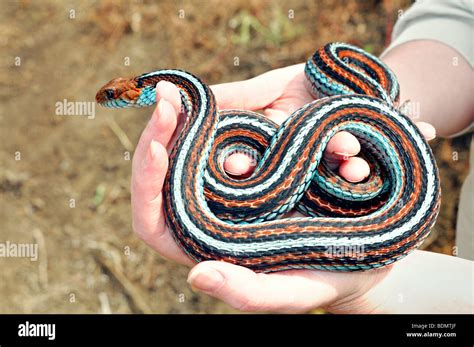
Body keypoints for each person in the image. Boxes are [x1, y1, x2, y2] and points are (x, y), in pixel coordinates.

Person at [130, 0, 473, 313]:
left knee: (349, 179)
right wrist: (390, 103)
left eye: (117, 96)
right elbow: (462, 20)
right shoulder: (210, 123)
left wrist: (383, 290)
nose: (112, 100)